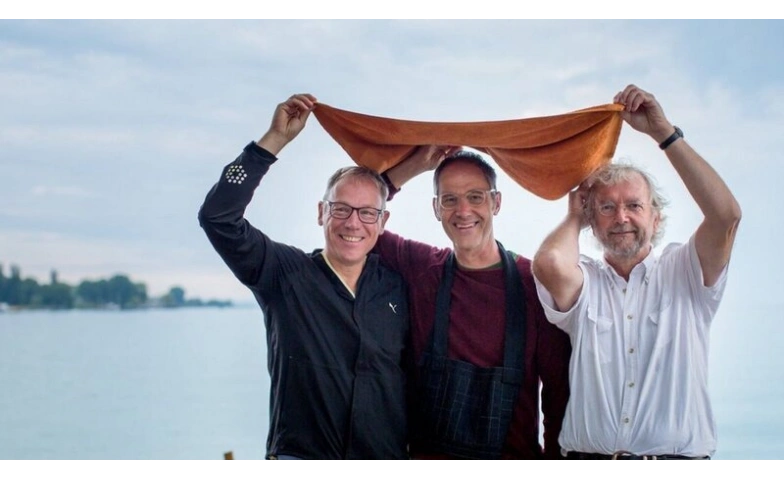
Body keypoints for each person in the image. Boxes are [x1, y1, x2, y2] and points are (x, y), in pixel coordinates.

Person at [532, 84, 742, 463]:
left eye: (634, 205)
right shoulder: (587, 282)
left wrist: (664, 133)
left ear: (655, 218)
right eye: (606, 208)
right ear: (592, 221)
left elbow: (726, 216)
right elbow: (549, 264)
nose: (621, 217)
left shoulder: (685, 271)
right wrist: (574, 215)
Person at [198, 93, 410, 462]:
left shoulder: (397, 286)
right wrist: (273, 141)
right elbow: (218, 217)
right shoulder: (284, 275)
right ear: (321, 213)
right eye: (340, 209)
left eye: (366, 213)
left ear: (382, 222)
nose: (353, 223)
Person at [374, 146, 572, 462]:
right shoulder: (421, 268)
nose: (463, 210)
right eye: (449, 199)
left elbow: (558, 395)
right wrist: (415, 165)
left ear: (496, 202)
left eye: (475, 197)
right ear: (436, 208)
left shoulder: (535, 283)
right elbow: (361, 218)